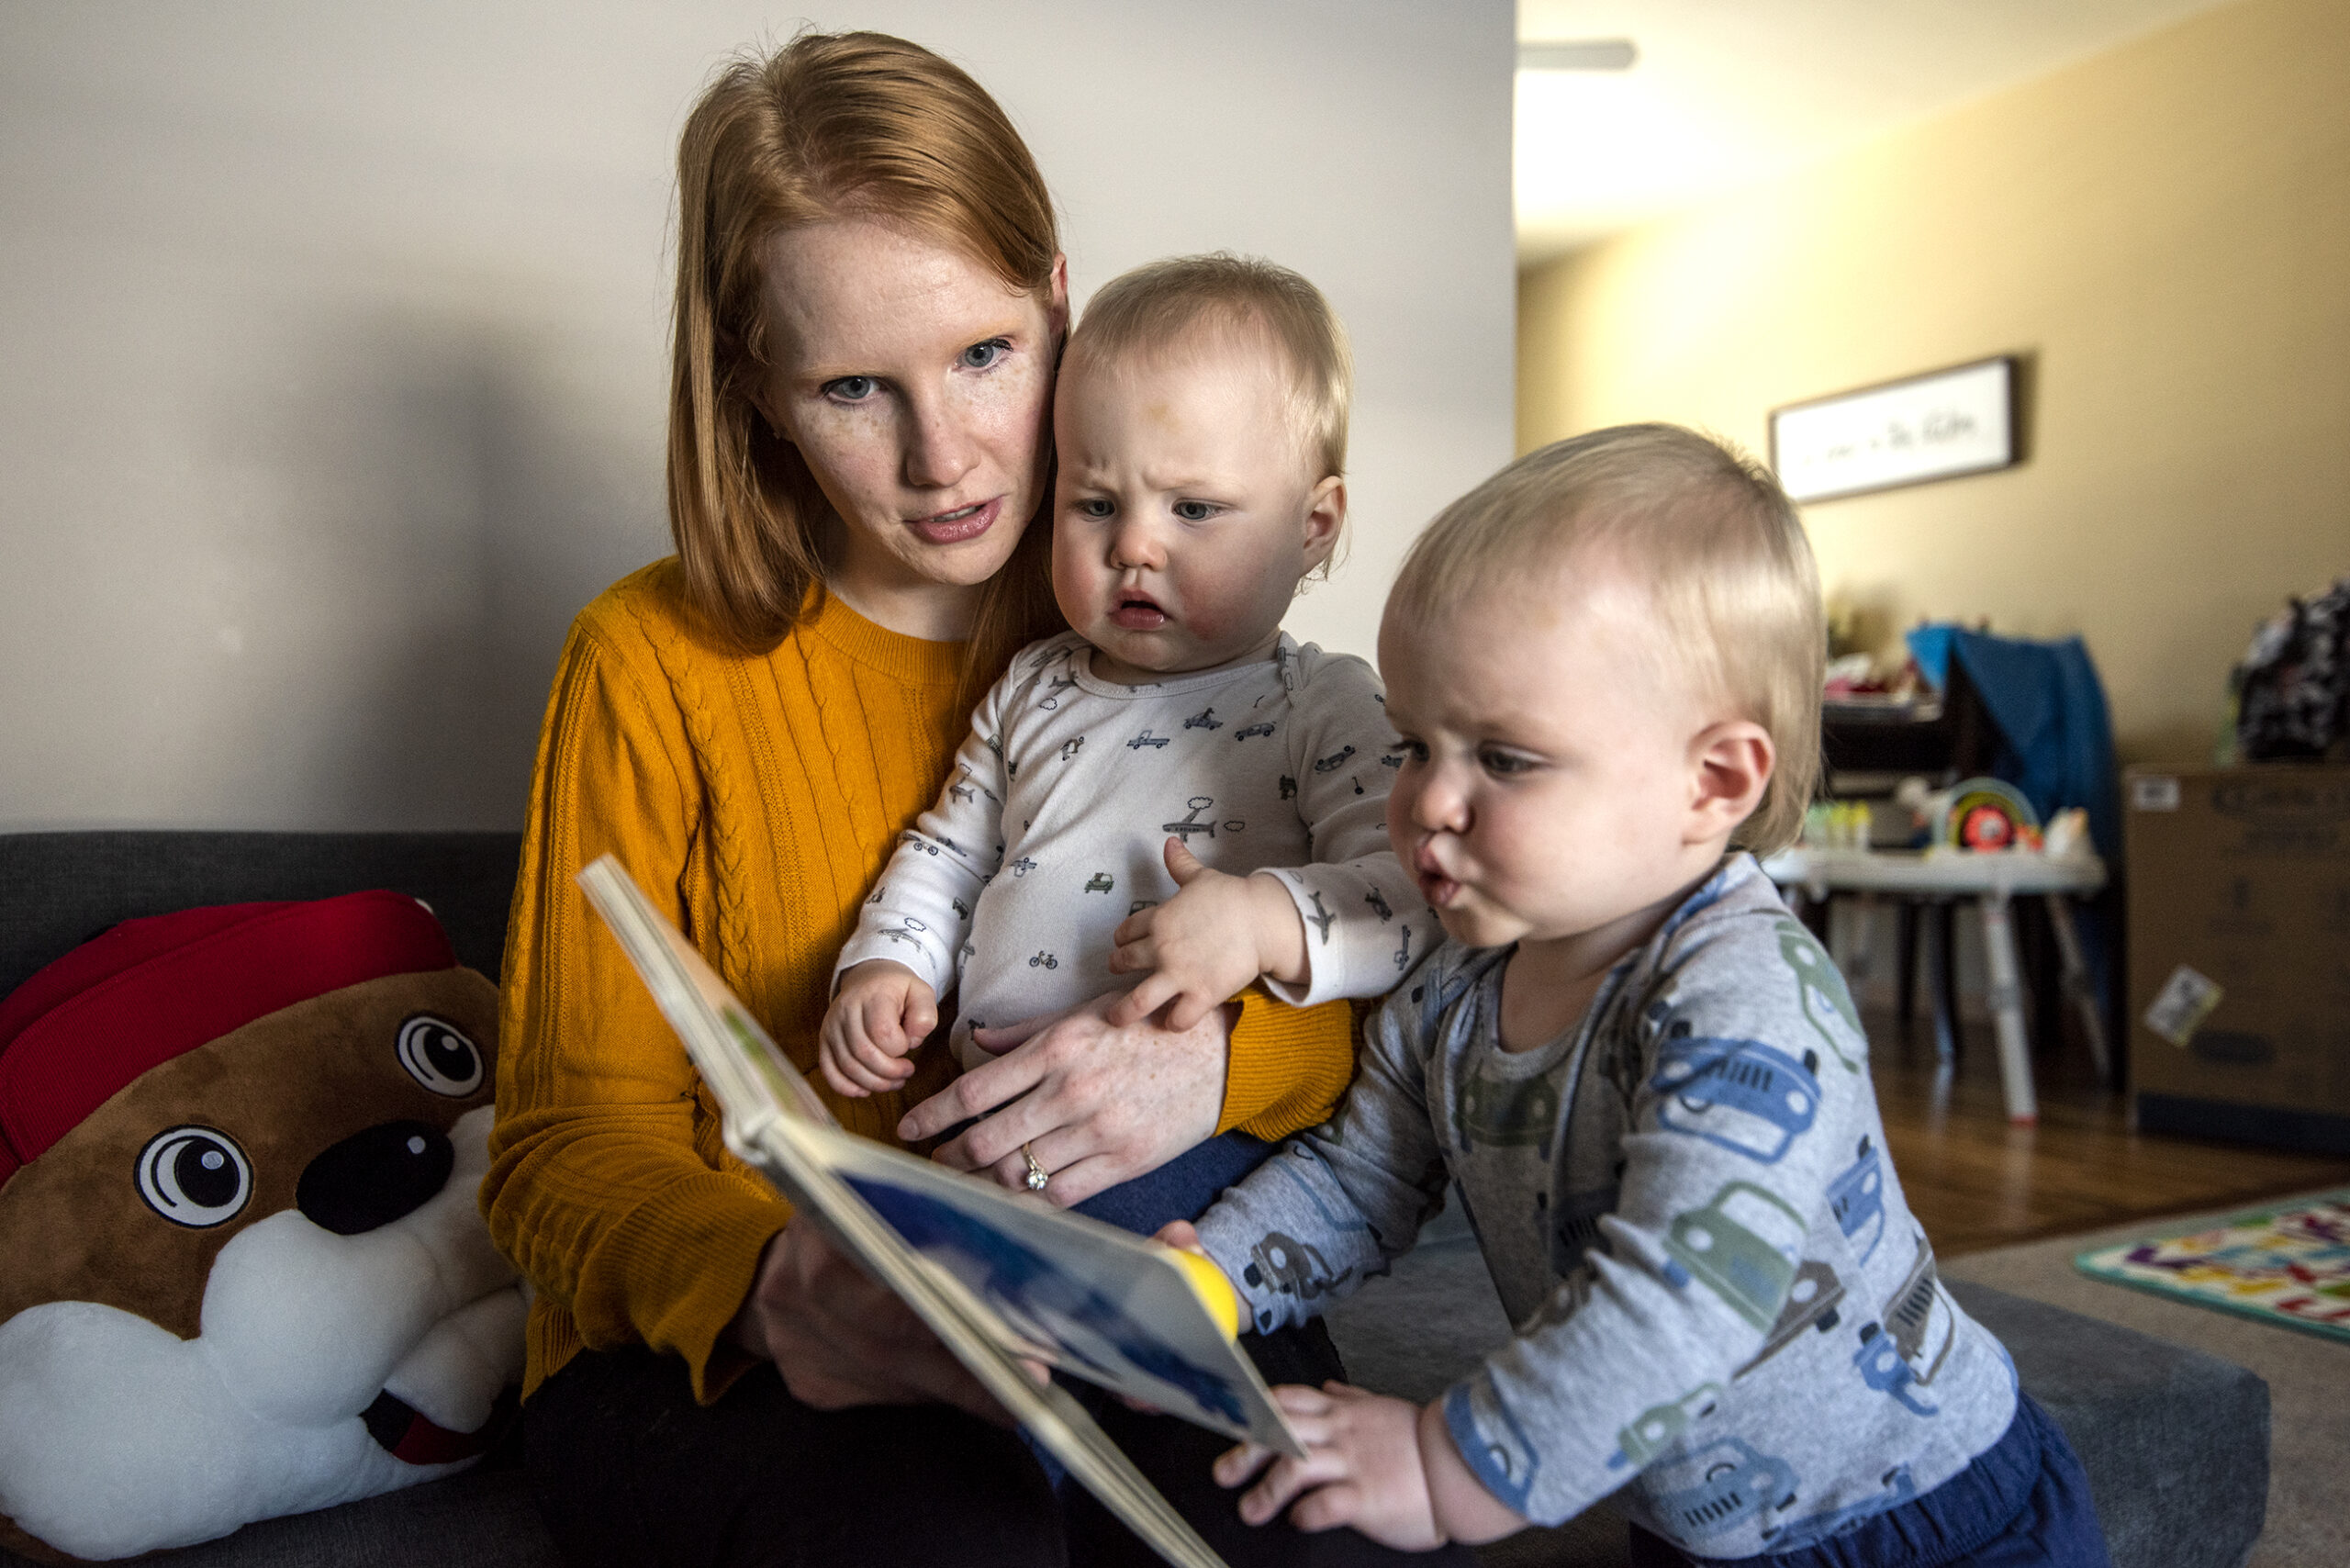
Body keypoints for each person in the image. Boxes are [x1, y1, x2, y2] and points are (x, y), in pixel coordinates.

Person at [481, 32, 1436, 1568]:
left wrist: (1220, 1067)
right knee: (955, 1534)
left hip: (1132, 1256)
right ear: (755, 387)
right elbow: (557, 1149)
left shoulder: (1164, 623)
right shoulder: (645, 659)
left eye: (986, 355)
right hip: (736, 1351)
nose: (946, 460)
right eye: (855, 386)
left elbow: (1399, 966)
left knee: (1334, 1537)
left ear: (1061, 302)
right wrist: (778, 1280)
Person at [1169, 427, 2112, 1564]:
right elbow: (1357, 1180)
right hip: (1685, 1513)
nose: (1427, 804)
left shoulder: (1744, 993)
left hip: (1914, 1518)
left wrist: (1447, 1463)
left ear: (1710, 781)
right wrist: (1207, 1276)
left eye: (1504, 760)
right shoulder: (1451, 985)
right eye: (1417, 744)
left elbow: (1678, 1293)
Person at [819, 255, 1430, 1237]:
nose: (1134, 546)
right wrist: (887, 963)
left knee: (1064, 1277)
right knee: (907, 1254)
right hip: (997, 1105)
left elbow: (1414, 891)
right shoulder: (1031, 686)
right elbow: (950, 849)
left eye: (1192, 509)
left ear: (1313, 526)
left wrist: (1264, 923)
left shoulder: (1320, 701)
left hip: (1191, 1137)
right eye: (1095, 504)